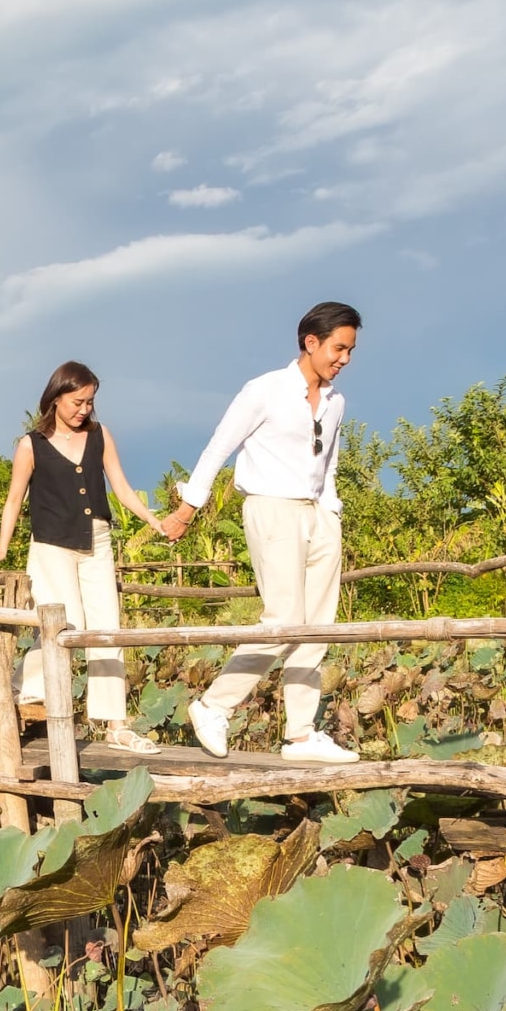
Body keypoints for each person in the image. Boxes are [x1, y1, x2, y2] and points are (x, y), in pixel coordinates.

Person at [154, 301, 362, 764]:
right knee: (283, 620)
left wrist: (331, 511)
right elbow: (217, 450)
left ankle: (302, 736)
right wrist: (188, 509)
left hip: (320, 514)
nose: (344, 359)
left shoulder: (336, 402)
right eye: (339, 348)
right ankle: (213, 706)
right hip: (272, 509)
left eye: (350, 351)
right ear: (311, 342)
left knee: (317, 627)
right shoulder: (264, 390)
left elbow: (326, 464)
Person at [0, 361, 163, 753]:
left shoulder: (100, 435)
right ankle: (23, 689)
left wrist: (154, 520)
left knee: (106, 628)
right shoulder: (31, 445)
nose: (84, 410)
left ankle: (116, 725)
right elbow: (14, 500)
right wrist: (1, 548)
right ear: (56, 398)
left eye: (90, 403)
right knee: (62, 625)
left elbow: (123, 490)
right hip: (50, 545)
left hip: (97, 540)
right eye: (78, 401)